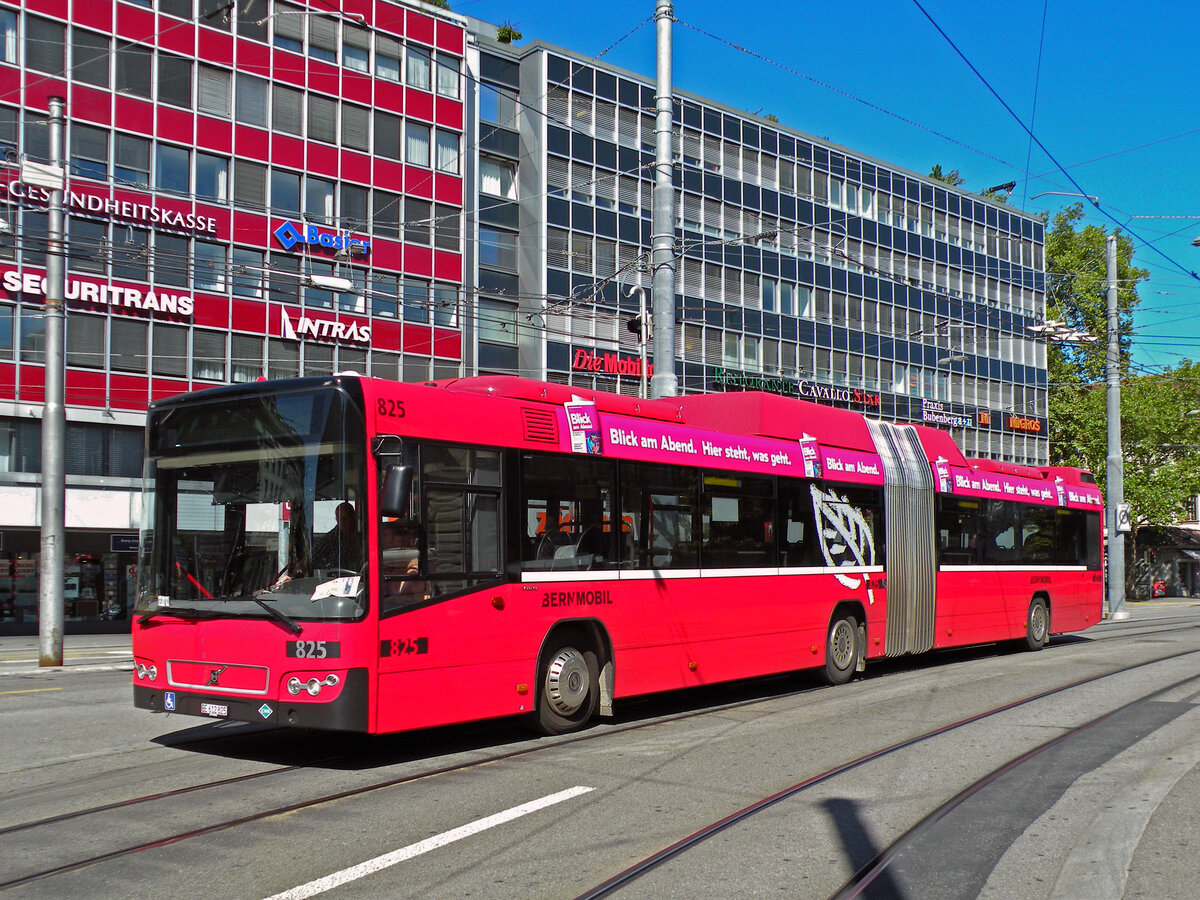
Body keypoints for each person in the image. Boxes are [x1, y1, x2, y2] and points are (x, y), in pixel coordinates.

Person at [312, 501, 362, 571]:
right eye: (339, 519)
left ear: (353, 518)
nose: (342, 522)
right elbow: (309, 561)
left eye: (345, 518)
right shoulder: (328, 541)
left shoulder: (361, 537)